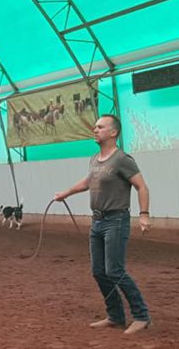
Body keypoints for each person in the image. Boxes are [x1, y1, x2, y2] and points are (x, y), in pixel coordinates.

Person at [54, 114, 151, 335]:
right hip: (97, 221)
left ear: (113, 132)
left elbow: (141, 187)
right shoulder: (94, 159)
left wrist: (144, 214)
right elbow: (88, 182)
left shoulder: (122, 159)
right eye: (95, 127)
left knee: (114, 270)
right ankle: (115, 316)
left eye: (100, 127)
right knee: (99, 271)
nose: (95, 130)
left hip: (116, 220)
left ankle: (141, 316)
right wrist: (66, 193)